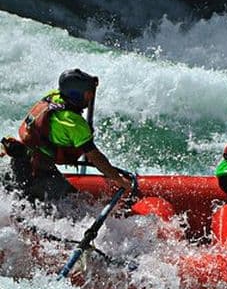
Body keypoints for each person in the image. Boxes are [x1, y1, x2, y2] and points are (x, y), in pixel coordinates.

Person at [1, 69, 131, 202]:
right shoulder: (74, 123)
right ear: (76, 96)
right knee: (76, 204)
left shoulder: (54, 96)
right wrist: (118, 179)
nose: (91, 96)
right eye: (88, 94)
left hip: (19, 160)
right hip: (33, 173)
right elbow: (95, 157)